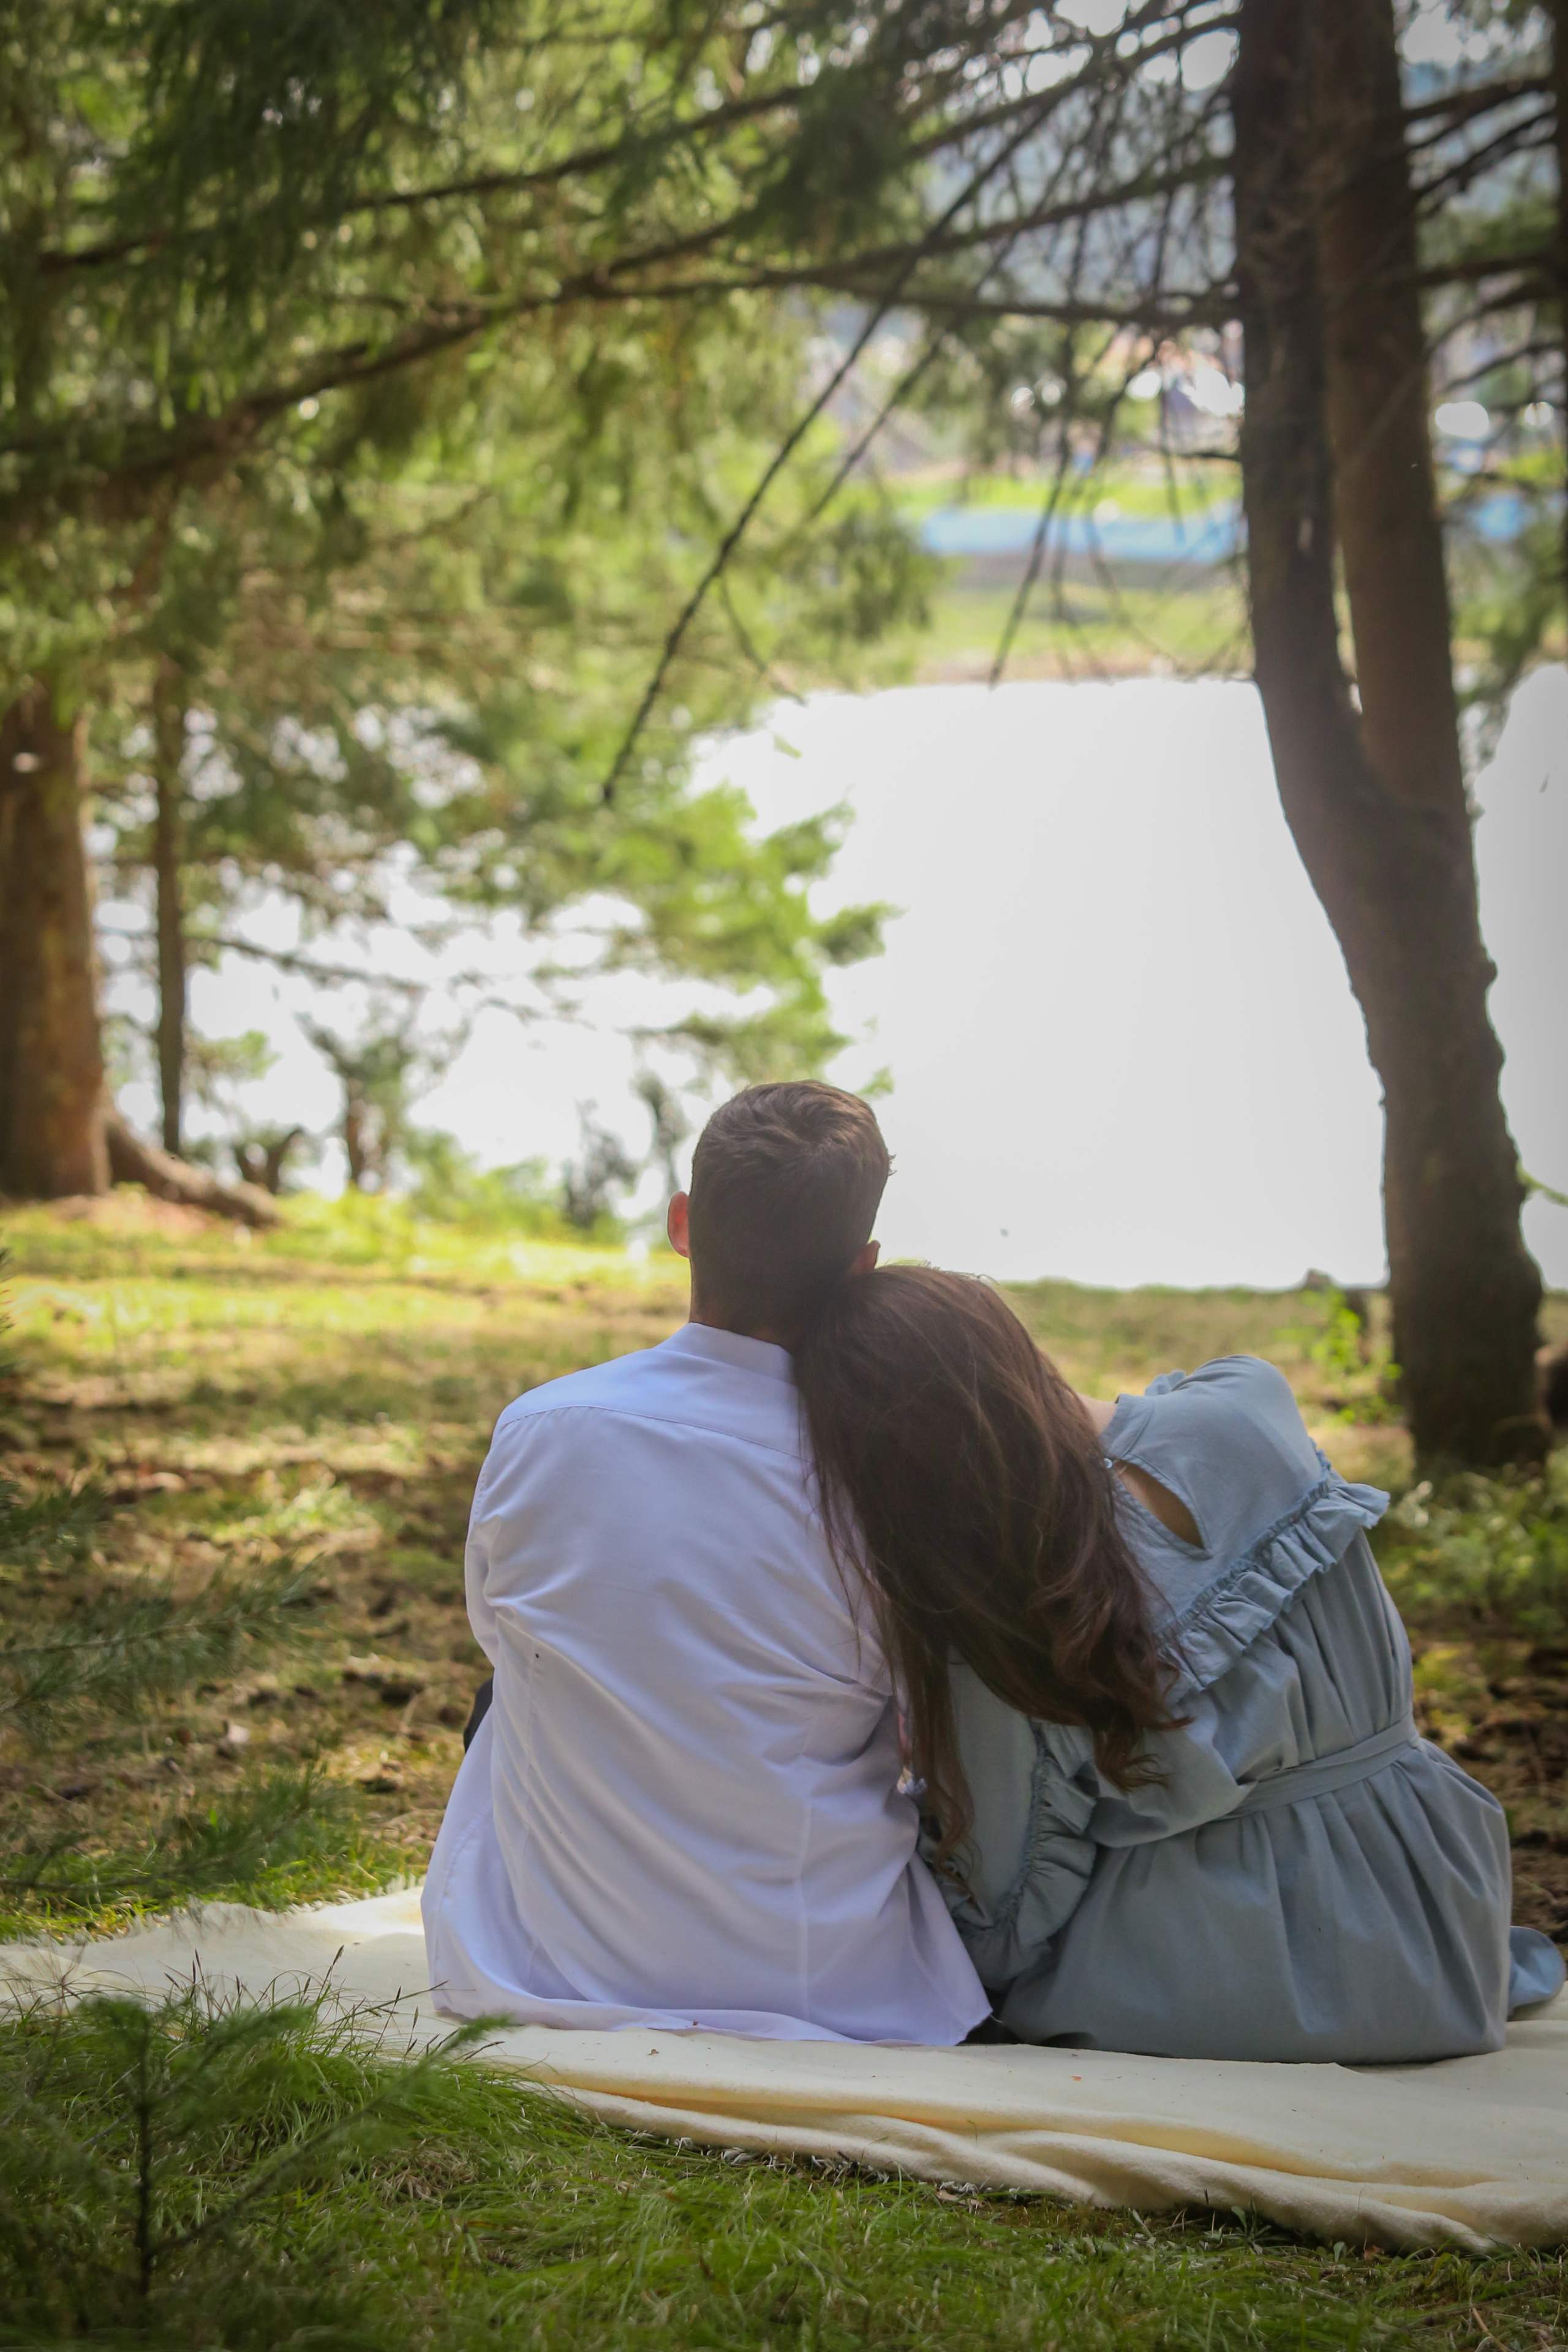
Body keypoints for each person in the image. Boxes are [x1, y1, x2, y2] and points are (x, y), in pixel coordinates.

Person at [795, 1265, 1565, 2062]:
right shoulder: (1245, 1408)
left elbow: (1005, 1923)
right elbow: (1132, 1430)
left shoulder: (1005, 1610)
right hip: (1441, 1906)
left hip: (1237, 1971)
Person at [421, 1084, 989, 2043]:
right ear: (861, 1267)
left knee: (520, 1674)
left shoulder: (539, 1428)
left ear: (682, 1225)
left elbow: (496, 1631)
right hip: (827, 1986)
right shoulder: (885, 1481)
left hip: (540, 1967)